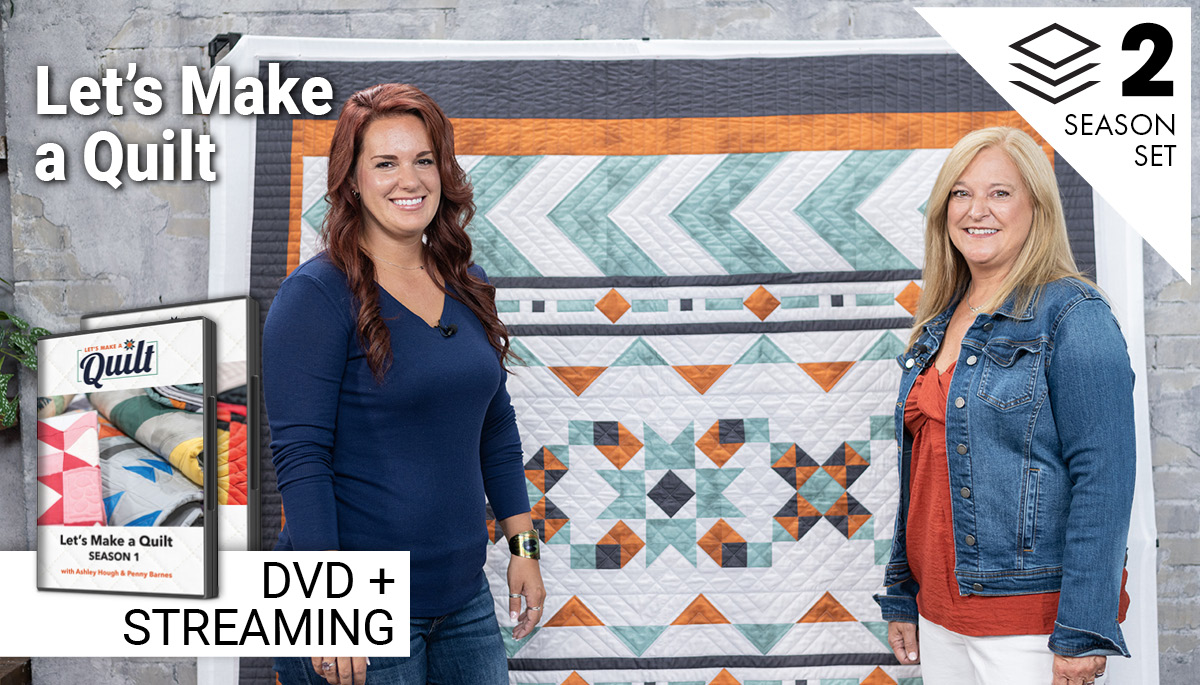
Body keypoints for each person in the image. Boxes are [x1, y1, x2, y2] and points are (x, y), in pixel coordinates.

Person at [264, 83, 546, 685]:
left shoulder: (467, 281)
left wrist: (523, 547)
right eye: (385, 163)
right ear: (352, 180)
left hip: (463, 596)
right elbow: (301, 459)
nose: (408, 180)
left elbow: (494, 426)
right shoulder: (314, 295)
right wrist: (326, 609)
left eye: (423, 160)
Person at [873, 127, 1134, 685]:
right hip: (939, 617)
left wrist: (1085, 627)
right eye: (961, 193)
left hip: (1031, 627)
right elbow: (922, 476)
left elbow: (1105, 481)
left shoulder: (1074, 315)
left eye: (1000, 192)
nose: (976, 210)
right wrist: (903, 591)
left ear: (1036, 207)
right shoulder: (939, 319)